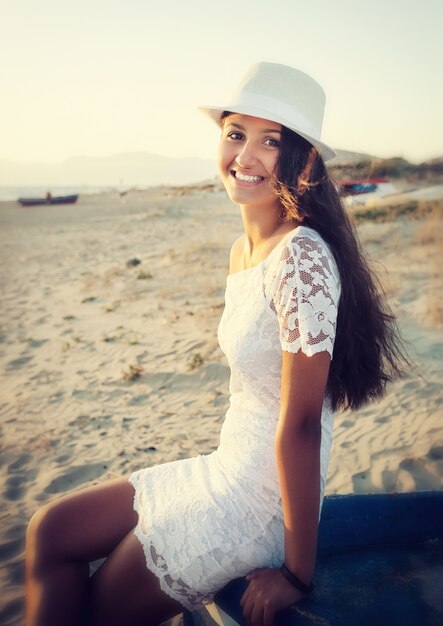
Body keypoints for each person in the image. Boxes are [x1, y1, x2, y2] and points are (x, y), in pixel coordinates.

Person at [25, 62, 407, 626]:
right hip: (222, 469)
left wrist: (297, 574)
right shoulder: (243, 250)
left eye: (270, 141)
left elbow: (302, 425)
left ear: (301, 157)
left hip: (254, 507)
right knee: (50, 529)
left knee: (98, 608)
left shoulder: (301, 257)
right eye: (235, 134)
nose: (245, 156)